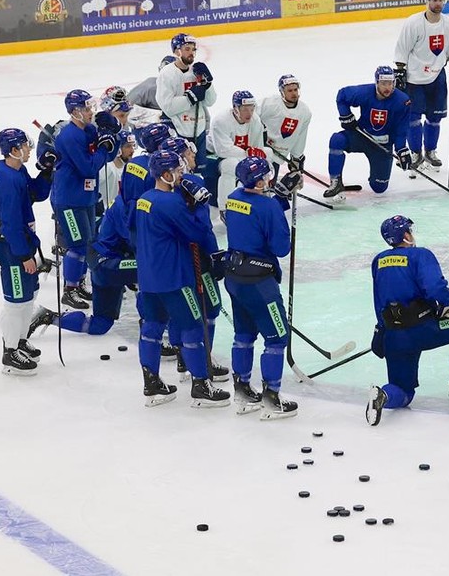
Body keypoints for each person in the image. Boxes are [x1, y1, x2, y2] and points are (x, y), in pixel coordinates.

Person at [365, 215, 449, 426]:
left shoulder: (379, 260)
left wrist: (381, 330)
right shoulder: (420, 255)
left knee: (403, 392)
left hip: (394, 337)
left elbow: (378, 300)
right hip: (423, 330)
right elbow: (435, 288)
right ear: (405, 235)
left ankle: (383, 396)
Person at [133, 149, 228, 408]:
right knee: (193, 327)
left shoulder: (144, 199)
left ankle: (151, 382)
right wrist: (199, 205)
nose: (180, 174)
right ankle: (201, 384)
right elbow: (196, 232)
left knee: (152, 327)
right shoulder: (171, 203)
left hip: (149, 279)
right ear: (164, 174)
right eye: (175, 171)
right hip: (175, 278)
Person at [223, 156, 303, 419]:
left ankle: (243, 389)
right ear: (259, 180)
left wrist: (279, 197)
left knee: (244, 334)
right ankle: (271, 398)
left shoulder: (233, 197)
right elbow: (280, 247)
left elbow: (255, 211)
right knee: (277, 337)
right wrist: (280, 214)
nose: (270, 179)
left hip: (235, 277)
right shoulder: (268, 208)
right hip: (260, 282)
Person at [0, 128, 56, 375]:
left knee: (30, 293)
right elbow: (11, 223)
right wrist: (24, 255)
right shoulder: (7, 180)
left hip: (22, 243)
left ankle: (19, 339)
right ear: (14, 150)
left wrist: (46, 172)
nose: (29, 149)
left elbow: (34, 194)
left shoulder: (16, 169)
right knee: (16, 301)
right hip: (12, 248)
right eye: (25, 146)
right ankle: (10, 351)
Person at [30, 190, 138, 339]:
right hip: (108, 265)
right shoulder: (131, 209)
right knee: (152, 270)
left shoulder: (124, 203)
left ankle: (50, 317)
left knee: (101, 324)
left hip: (100, 261)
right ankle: (70, 287)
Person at [51, 90, 121, 311]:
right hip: (69, 199)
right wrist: (102, 146)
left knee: (88, 243)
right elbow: (89, 167)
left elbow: (109, 156)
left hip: (86, 197)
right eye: (86, 109)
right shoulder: (69, 137)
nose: (91, 112)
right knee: (78, 245)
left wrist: (113, 133)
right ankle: (69, 290)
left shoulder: (89, 129)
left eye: (91, 108)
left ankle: (78, 283)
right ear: (74, 112)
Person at [394, 0, 449, 169]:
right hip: (413, 78)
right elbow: (402, 48)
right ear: (427, 0)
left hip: (437, 76)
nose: (438, 3)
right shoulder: (413, 23)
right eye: (434, 0)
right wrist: (400, 70)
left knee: (435, 118)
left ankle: (430, 151)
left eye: (441, 0)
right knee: (413, 118)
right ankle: (416, 153)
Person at [325, 66, 413, 200]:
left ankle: (376, 177)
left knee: (379, 188)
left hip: (383, 146)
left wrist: (401, 149)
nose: (387, 87)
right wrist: (345, 115)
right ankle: (335, 182)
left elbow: (401, 129)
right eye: (383, 83)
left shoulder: (402, 101)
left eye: (390, 83)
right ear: (376, 82)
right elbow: (342, 95)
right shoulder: (365, 92)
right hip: (361, 136)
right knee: (337, 140)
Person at [155, 32, 216, 157]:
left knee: (199, 172)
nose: (191, 53)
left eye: (193, 49)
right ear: (177, 52)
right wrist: (189, 98)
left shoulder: (196, 71)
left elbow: (210, 102)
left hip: (199, 131)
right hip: (178, 132)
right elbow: (167, 107)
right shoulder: (167, 74)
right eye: (187, 49)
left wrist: (208, 84)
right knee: (181, 171)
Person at [208, 90, 271, 200]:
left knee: (268, 153)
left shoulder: (255, 121)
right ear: (235, 108)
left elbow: (258, 148)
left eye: (251, 109)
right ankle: (225, 206)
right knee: (230, 165)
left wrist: (255, 155)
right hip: (215, 155)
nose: (249, 113)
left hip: (241, 156)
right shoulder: (221, 121)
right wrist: (248, 153)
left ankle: (263, 195)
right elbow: (223, 150)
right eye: (245, 109)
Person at [260, 74, 312, 180]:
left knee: (270, 184)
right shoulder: (270, 104)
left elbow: (301, 136)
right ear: (282, 92)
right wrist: (258, 135)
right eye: (290, 90)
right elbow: (251, 116)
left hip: (278, 155)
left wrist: (296, 157)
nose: (294, 93)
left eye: (295, 90)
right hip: (262, 149)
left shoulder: (304, 111)